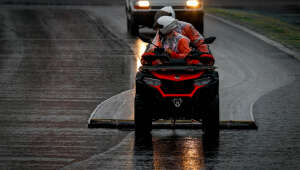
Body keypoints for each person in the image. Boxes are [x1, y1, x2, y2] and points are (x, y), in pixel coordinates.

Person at [145, 6, 214, 65]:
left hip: (187, 61)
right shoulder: (162, 30)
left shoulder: (187, 26)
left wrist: (204, 57)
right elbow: (154, 45)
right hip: (166, 61)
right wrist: (150, 55)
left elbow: (200, 42)